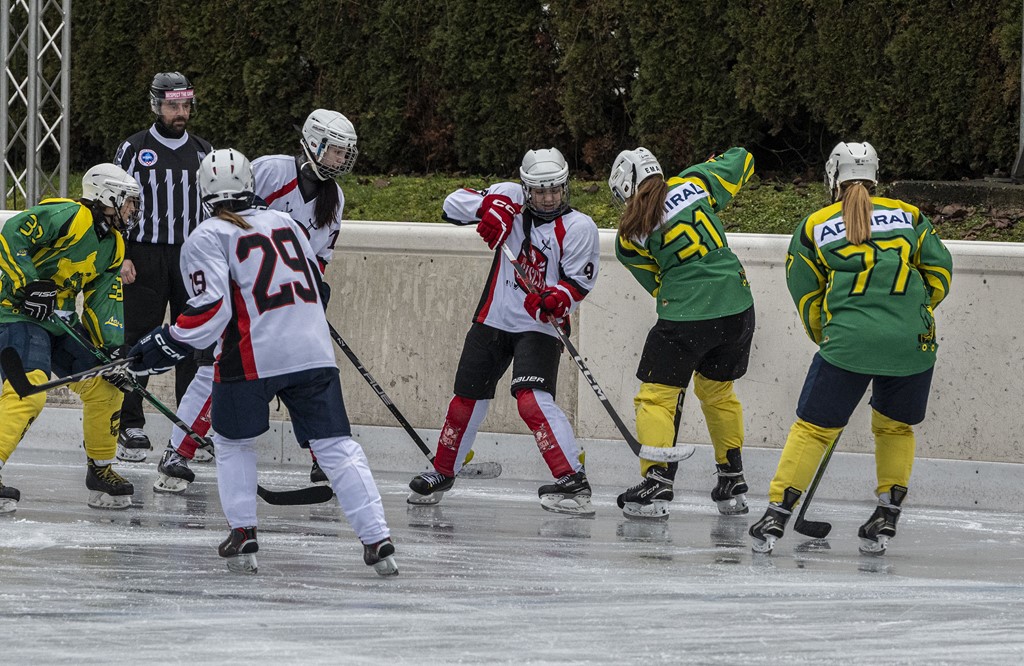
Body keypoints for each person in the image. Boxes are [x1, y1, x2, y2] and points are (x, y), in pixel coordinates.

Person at [127, 148, 396, 576]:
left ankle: (243, 530)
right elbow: (316, 285)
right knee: (337, 447)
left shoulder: (207, 236)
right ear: (251, 186)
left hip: (251, 356)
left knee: (234, 444)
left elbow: (210, 312)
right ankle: (378, 537)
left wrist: (164, 342)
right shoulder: (286, 222)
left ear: (204, 193)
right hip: (313, 351)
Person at [749, 141, 953, 555]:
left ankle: (776, 515)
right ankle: (887, 515)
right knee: (895, 427)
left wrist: (831, 335)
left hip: (848, 343)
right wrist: (908, 314)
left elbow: (806, 293)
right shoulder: (910, 216)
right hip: (913, 342)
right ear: (876, 176)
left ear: (832, 177)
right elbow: (940, 270)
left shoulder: (813, 226)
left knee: (813, 428)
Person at [153, 108, 357, 493]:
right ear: (314, 144)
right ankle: (177, 451)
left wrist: (314, 293)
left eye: (345, 153)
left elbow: (318, 259)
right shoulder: (271, 171)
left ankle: (322, 457)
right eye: (335, 151)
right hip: (238, 291)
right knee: (213, 369)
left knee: (310, 370)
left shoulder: (335, 198)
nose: (341, 160)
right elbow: (224, 215)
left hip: (283, 299)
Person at [407, 147, 601, 515]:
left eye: (555, 189)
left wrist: (556, 299)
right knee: (466, 397)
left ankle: (572, 476)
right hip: (493, 318)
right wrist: (492, 206)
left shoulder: (579, 226)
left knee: (531, 399)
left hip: (539, 326)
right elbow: (451, 205)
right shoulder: (511, 197)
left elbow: (578, 283)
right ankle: (443, 469)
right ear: (527, 189)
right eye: (540, 191)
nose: (548, 198)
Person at [608, 147, 756, 519]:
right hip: (739, 307)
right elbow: (744, 159)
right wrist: (709, 162)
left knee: (657, 397)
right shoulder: (694, 183)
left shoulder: (629, 235)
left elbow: (657, 284)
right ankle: (732, 478)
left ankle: (657, 481)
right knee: (718, 392)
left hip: (686, 314)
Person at [0, 164, 141, 512]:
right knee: (28, 389)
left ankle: (101, 470)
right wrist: (29, 284)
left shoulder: (114, 243)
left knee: (106, 387)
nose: (132, 210)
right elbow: (12, 234)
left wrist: (111, 351)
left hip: (58, 320)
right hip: (14, 311)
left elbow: (103, 299)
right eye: (128, 202)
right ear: (107, 196)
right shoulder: (69, 215)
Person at [113, 71, 213, 462]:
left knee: (192, 343)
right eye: (173, 105)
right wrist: (120, 254)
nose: (181, 112)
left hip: (191, 259)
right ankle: (129, 426)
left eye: (185, 105)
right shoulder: (134, 148)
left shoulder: (205, 151)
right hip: (144, 257)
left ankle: (187, 430)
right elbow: (114, 202)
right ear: (156, 105)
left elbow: (214, 208)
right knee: (138, 338)